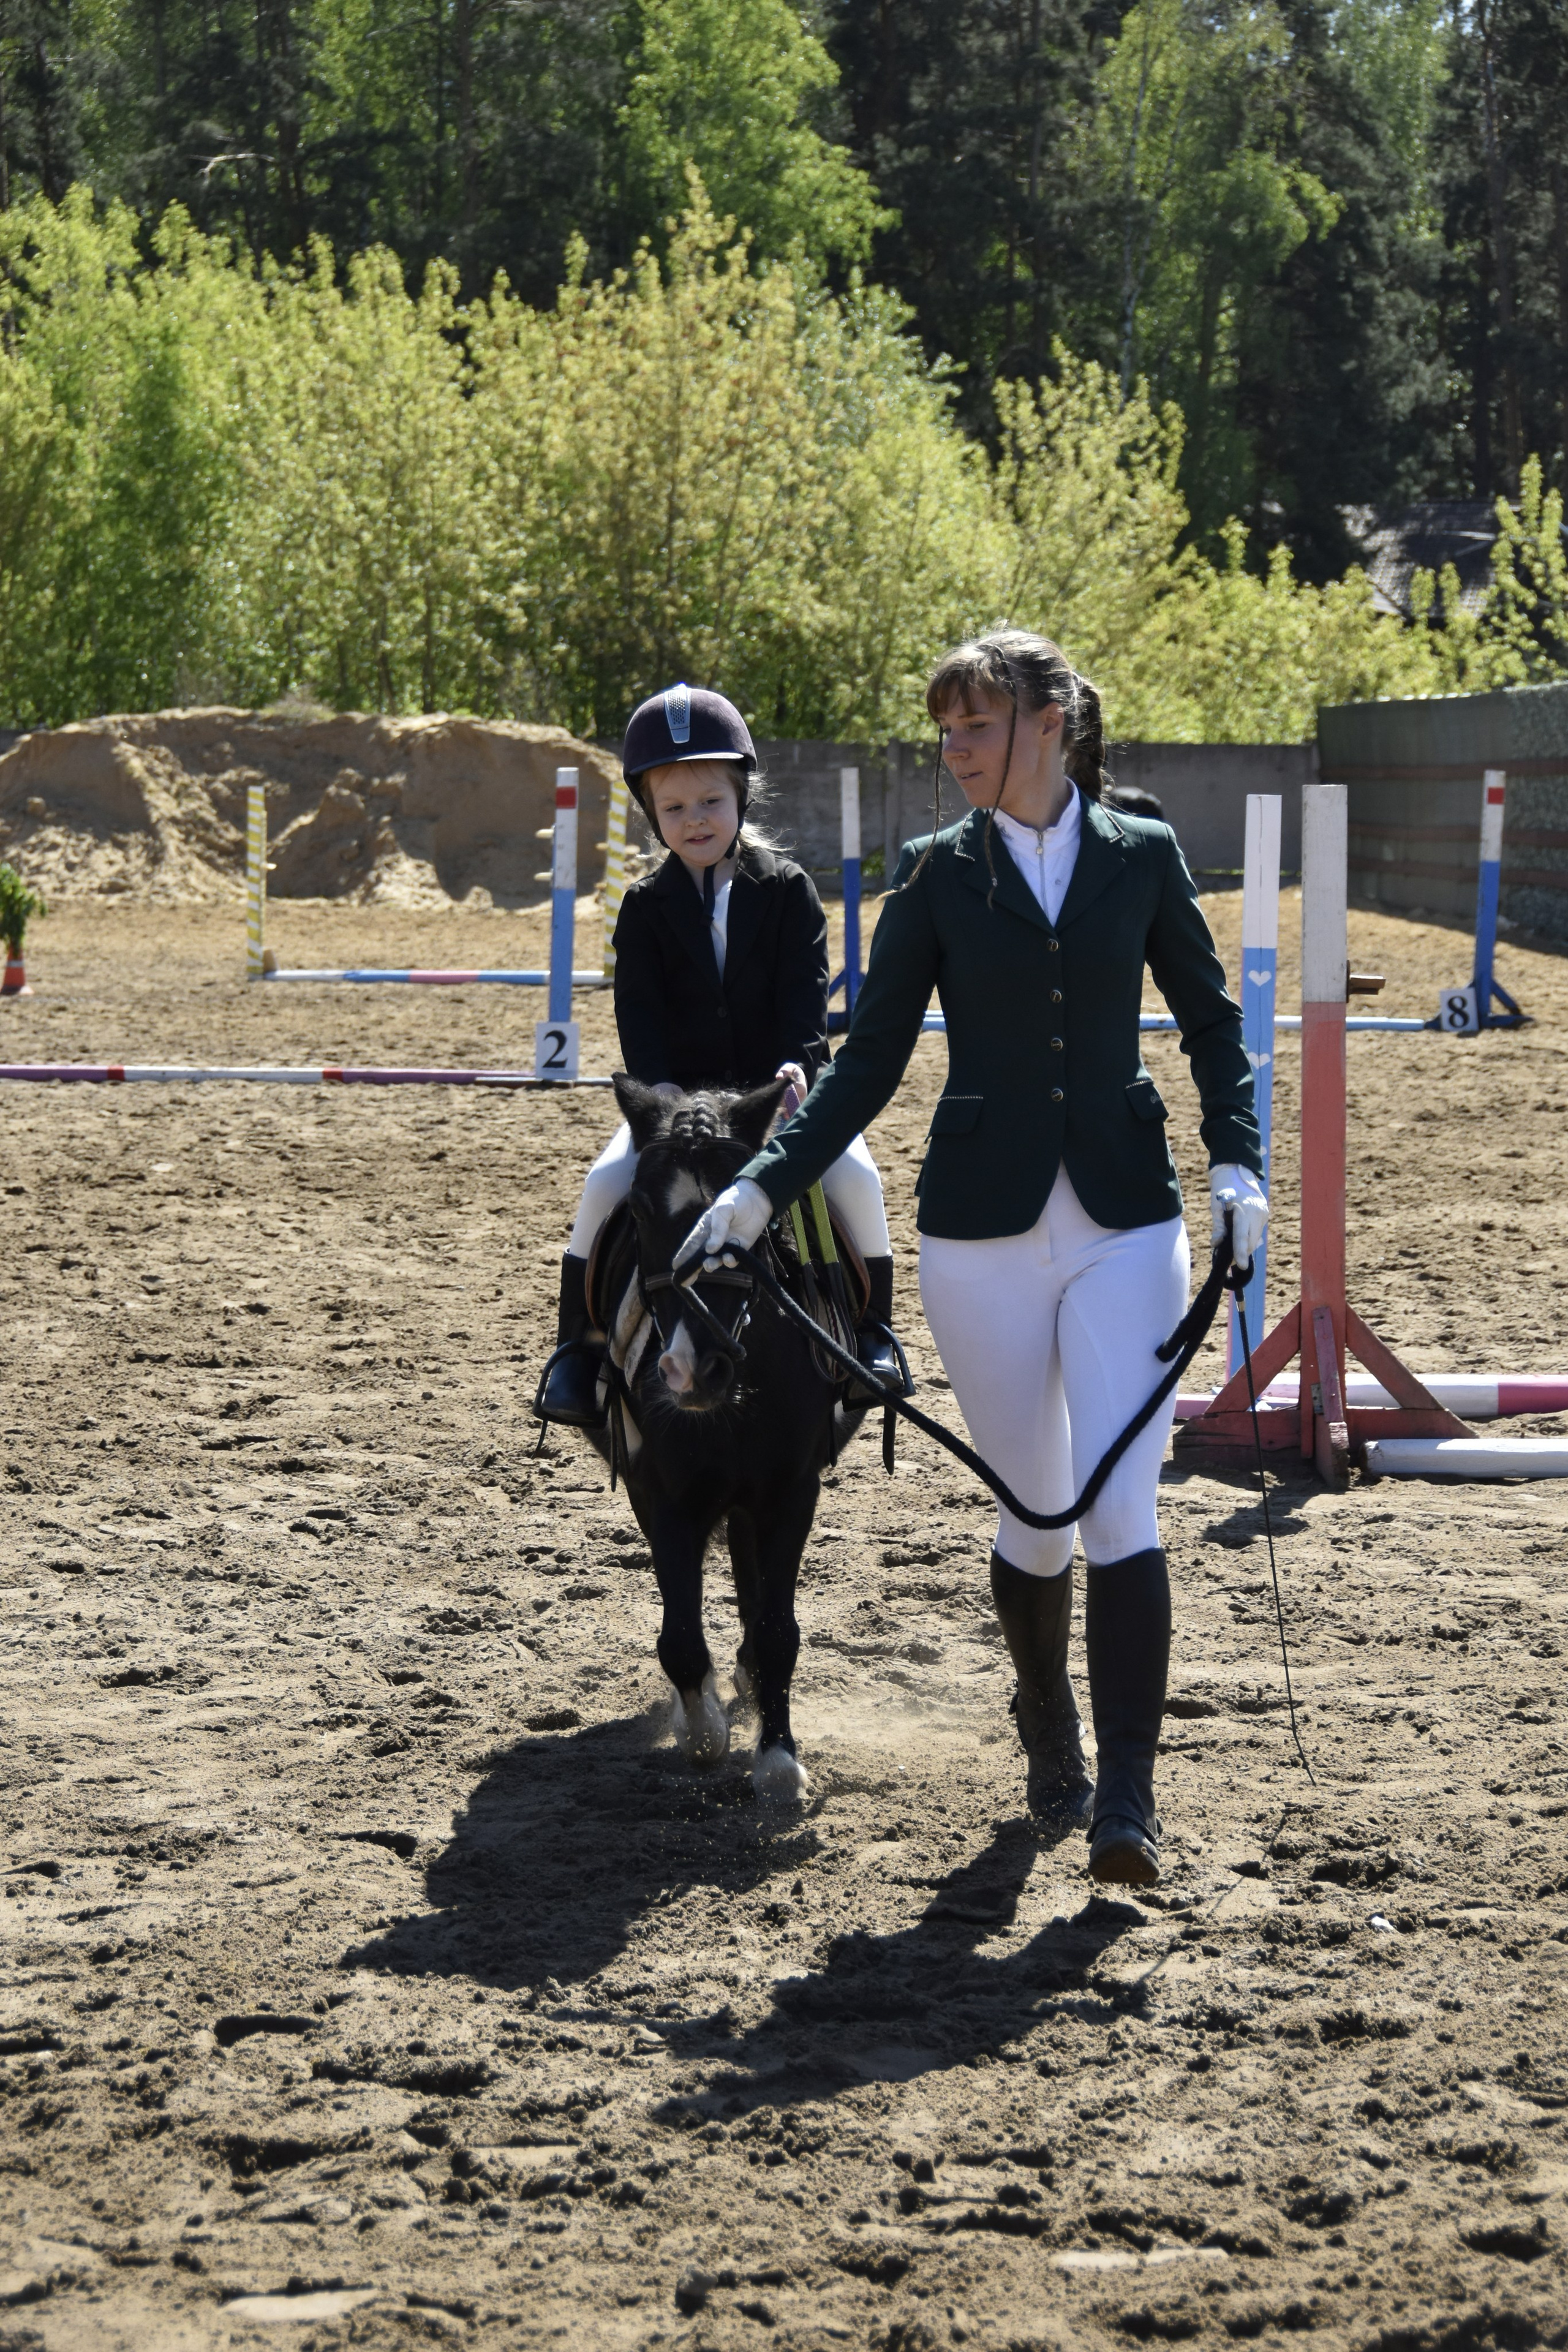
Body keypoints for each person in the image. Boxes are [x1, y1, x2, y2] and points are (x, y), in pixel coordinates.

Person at [672, 630, 1267, 1887]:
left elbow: (1211, 1023)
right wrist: (758, 1186)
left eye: (973, 731)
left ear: (1047, 724)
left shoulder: (1144, 858)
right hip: (980, 1238)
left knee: (1120, 1510)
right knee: (1032, 1518)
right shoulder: (933, 879)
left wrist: (1238, 1162)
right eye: (941, 733)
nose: (950, 755)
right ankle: (1041, 1710)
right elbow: (868, 1064)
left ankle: (1125, 1804)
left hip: (1125, 1222)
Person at [536, 682, 897, 1427]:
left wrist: (799, 1068)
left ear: (741, 798)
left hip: (775, 1095)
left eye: (710, 802)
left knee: (858, 1178)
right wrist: (661, 1096)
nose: (694, 820)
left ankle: (874, 1336)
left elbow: (806, 997)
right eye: (674, 809)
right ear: (652, 816)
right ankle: (578, 1349)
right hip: (679, 1103)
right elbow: (638, 1012)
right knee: (602, 1186)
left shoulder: (790, 889)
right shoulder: (641, 907)